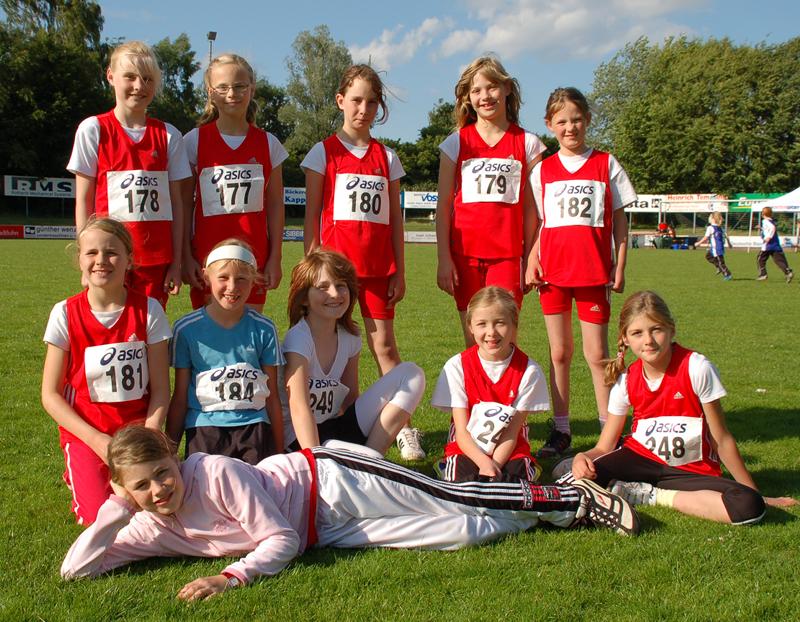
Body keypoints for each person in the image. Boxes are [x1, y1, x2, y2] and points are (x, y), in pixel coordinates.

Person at [61, 426, 640, 600]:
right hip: (332, 529)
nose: (161, 490)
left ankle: (570, 498)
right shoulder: (142, 518)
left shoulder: (213, 473)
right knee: (464, 531)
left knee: (456, 498)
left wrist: (229, 575)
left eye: (163, 472)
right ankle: (540, 506)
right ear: (124, 490)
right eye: (142, 486)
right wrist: (113, 514)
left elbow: (279, 541)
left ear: (173, 455)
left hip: (335, 479)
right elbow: (75, 572)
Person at [565, 291, 797, 524]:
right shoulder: (626, 380)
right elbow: (605, 445)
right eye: (637, 333)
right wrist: (584, 456)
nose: (648, 340)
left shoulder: (697, 368)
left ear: (671, 330)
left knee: (748, 505)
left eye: (656, 329)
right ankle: (627, 486)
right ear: (625, 338)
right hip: (639, 459)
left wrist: (758, 494)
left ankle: (652, 496)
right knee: (573, 480)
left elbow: (721, 438)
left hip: (690, 471)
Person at [301, 64, 425, 460]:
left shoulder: (386, 157)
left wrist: (399, 272)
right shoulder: (324, 152)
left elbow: (392, 222)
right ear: (341, 101)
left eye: (372, 102)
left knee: (385, 347)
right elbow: (312, 218)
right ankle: (324, 422)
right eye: (356, 100)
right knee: (328, 351)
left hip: (376, 274)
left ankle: (403, 428)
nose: (363, 108)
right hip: (334, 276)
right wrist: (312, 274)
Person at [528, 87, 637, 459]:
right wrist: (533, 258)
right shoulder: (542, 170)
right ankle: (561, 430)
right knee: (559, 353)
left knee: (597, 355)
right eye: (562, 121)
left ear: (587, 120)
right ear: (550, 125)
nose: (570, 127)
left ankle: (611, 429)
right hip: (553, 275)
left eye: (576, 119)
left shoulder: (606, 164)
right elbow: (544, 223)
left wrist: (620, 264)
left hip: (593, 273)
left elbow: (620, 221)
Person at [41, 218, 171, 525]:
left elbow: (161, 389)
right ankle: (81, 470)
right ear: (80, 260)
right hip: (87, 434)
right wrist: (96, 440)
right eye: (92, 253)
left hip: (137, 432)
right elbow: (50, 395)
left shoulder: (150, 310)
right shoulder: (64, 313)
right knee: (100, 519)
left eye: (112, 252)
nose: (101, 260)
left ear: (129, 259)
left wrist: (151, 432)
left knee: (154, 512)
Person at [67, 40, 191, 308]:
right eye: (130, 77)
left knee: (147, 333)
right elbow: (84, 201)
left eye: (147, 79)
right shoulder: (93, 130)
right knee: (111, 327)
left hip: (155, 261)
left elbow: (177, 204)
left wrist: (176, 262)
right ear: (111, 77)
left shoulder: (169, 135)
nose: (139, 86)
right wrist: (85, 259)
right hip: (108, 257)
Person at [435, 55, 546, 345]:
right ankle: (475, 393)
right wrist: (444, 259)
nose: (485, 96)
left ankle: (509, 392)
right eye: (476, 90)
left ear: (507, 88)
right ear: (467, 98)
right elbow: (444, 206)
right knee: (475, 341)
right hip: (464, 258)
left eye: (492, 86)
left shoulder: (529, 144)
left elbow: (534, 209)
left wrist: (531, 256)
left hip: (508, 258)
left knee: (504, 340)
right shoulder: (455, 143)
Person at [281, 249, 425, 457]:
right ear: (304, 298)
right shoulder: (299, 338)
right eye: (323, 287)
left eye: (341, 286)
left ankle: (371, 455)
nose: (335, 294)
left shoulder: (350, 336)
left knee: (412, 373)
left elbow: (350, 399)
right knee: (368, 461)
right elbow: (299, 406)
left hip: (334, 428)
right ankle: (367, 462)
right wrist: (315, 460)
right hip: (299, 439)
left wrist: (360, 428)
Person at [182, 53, 287, 312]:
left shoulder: (269, 144)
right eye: (223, 87)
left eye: (240, 86)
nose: (232, 93)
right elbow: (183, 206)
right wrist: (185, 256)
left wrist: (275, 257)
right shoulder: (193, 142)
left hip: (254, 261)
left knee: (247, 340)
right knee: (209, 342)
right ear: (211, 93)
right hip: (207, 261)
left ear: (251, 89)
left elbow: (275, 205)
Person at [166, 240, 284, 463]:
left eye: (241, 279)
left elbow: (272, 397)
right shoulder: (186, 329)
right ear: (206, 277)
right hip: (205, 428)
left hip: (254, 427)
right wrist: (170, 450)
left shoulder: (264, 329)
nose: (232, 287)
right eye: (223, 278)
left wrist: (279, 454)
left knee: (255, 494)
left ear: (253, 281)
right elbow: (180, 397)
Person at [432, 287, 549, 482]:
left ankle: (527, 469)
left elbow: (512, 431)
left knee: (515, 488)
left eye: (500, 323)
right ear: (470, 327)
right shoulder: (456, 366)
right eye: (481, 324)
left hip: (511, 449)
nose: (491, 333)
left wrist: (494, 464)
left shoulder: (529, 371)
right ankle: (446, 466)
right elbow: (461, 431)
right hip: (466, 447)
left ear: (514, 325)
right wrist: (484, 463)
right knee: (463, 487)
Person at [756, 207, 793, 283]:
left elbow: (772, 228)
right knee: (779, 261)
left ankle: (763, 274)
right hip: (775, 245)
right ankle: (788, 272)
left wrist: (768, 237)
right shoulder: (771, 221)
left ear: (763, 213)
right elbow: (769, 228)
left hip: (768, 245)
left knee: (760, 259)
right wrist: (761, 228)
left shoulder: (765, 221)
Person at [695, 212, 732, 280]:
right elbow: (727, 237)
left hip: (716, 248)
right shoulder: (720, 228)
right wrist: (729, 244)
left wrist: (698, 243)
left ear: (713, 219)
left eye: (710, 217)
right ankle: (719, 267)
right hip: (715, 248)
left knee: (721, 262)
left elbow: (706, 237)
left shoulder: (710, 228)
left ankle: (727, 275)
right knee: (708, 256)